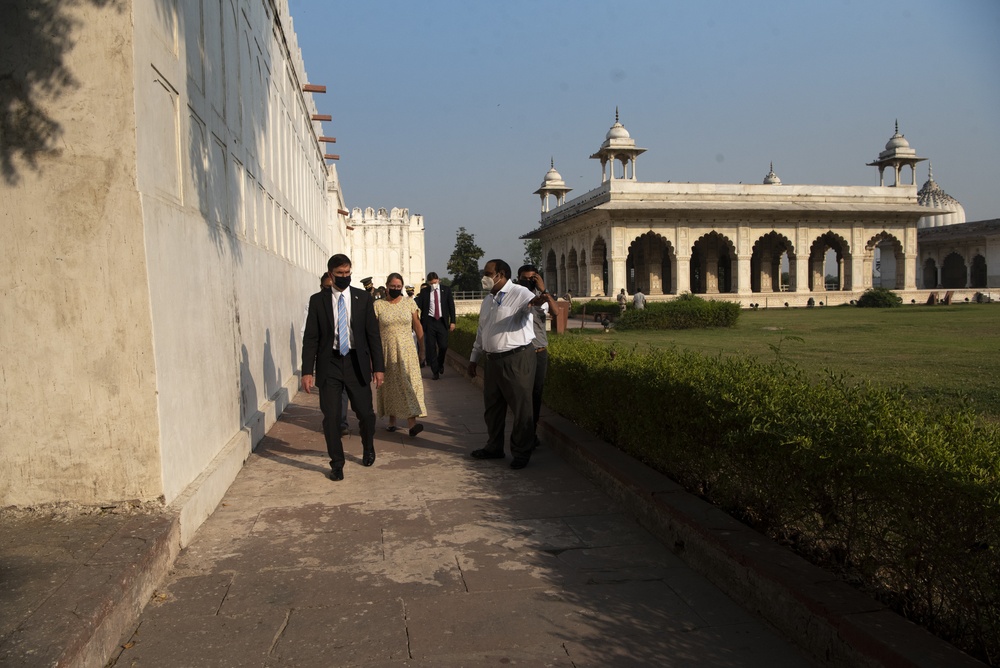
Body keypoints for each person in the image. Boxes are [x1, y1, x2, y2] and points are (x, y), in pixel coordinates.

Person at [301, 254, 385, 481]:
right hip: (330, 364)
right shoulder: (318, 301)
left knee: (366, 414)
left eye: (348, 273)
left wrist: (379, 368)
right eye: (340, 274)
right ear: (330, 274)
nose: (345, 277)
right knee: (331, 418)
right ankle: (337, 463)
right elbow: (311, 338)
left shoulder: (362, 298)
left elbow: (372, 336)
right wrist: (307, 371)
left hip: (356, 362)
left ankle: (368, 446)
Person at [467, 259, 549, 470]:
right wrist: (474, 358)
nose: (484, 277)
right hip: (492, 360)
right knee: (493, 408)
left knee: (521, 408)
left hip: (517, 359)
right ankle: (494, 447)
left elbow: (540, 306)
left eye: (488, 273)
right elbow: (481, 331)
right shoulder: (488, 300)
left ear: (501, 274)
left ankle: (522, 452)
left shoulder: (520, 293)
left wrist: (539, 300)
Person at [374, 272, 427, 438]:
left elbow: (417, 326)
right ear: (387, 286)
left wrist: (422, 348)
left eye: (399, 287)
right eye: (393, 286)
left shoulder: (409, 303)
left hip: (407, 351)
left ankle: (412, 424)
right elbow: (373, 331)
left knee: (406, 384)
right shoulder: (378, 305)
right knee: (390, 386)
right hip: (387, 350)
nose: (396, 289)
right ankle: (392, 420)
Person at [301, 273, 350, 436]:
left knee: (343, 390)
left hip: (344, 354)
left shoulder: (346, 302)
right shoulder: (316, 303)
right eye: (326, 287)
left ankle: (341, 422)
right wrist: (308, 369)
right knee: (328, 393)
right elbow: (309, 335)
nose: (329, 290)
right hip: (326, 358)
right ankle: (332, 420)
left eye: (332, 287)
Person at [517, 265, 558, 448]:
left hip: (539, 350)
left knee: (536, 394)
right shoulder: (515, 296)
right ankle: (522, 435)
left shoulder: (543, 298)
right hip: (521, 352)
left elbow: (556, 312)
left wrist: (544, 290)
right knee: (521, 396)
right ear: (518, 279)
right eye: (525, 279)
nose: (528, 282)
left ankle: (530, 435)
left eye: (532, 278)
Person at [416, 272, 455, 381]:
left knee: (443, 346)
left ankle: (440, 363)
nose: (434, 284)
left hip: (442, 322)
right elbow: (420, 307)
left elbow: (451, 306)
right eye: (432, 283)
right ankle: (435, 371)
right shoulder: (424, 292)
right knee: (431, 347)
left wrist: (453, 321)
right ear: (429, 283)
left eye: (435, 282)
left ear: (438, 280)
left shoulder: (446, 290)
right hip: (430, 322)